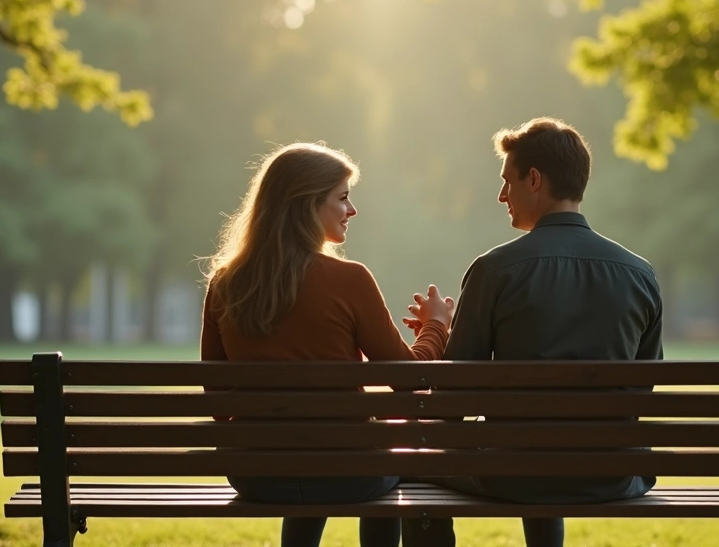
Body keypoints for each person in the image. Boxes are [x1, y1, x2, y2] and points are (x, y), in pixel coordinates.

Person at [402, 118, 665, 547]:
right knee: (540, 457)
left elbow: (452, 405)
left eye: (508, 181)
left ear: (535, 179)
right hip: (612, 476)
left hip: (517, 474)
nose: (502, 195)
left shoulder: (494, 271)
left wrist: (440, 335)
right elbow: (644, 384)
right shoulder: (640, 274)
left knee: (412, 462)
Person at [200, 142, 454, 547]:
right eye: (343, 198)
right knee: (401, 458)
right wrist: (436, 325)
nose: (352, 211)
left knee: (325, 458)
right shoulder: (350, 280)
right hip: (346, 472)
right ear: (307, 205)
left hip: (255, 475)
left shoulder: (225, 284)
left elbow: (216, 399)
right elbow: (409, 380)